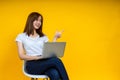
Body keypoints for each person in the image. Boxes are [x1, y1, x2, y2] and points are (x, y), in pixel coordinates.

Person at [15, 12, 69, 80]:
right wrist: (37, 57)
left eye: (40, 20)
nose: (39, 22)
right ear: (31, 20)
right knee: (56, 60)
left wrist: (55, 38)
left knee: (54, 73)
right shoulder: (21, 36)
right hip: (32, 65)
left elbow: (50, 51)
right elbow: (21, 56)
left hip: (44, 62)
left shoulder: (43, 37)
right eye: (36, 20)